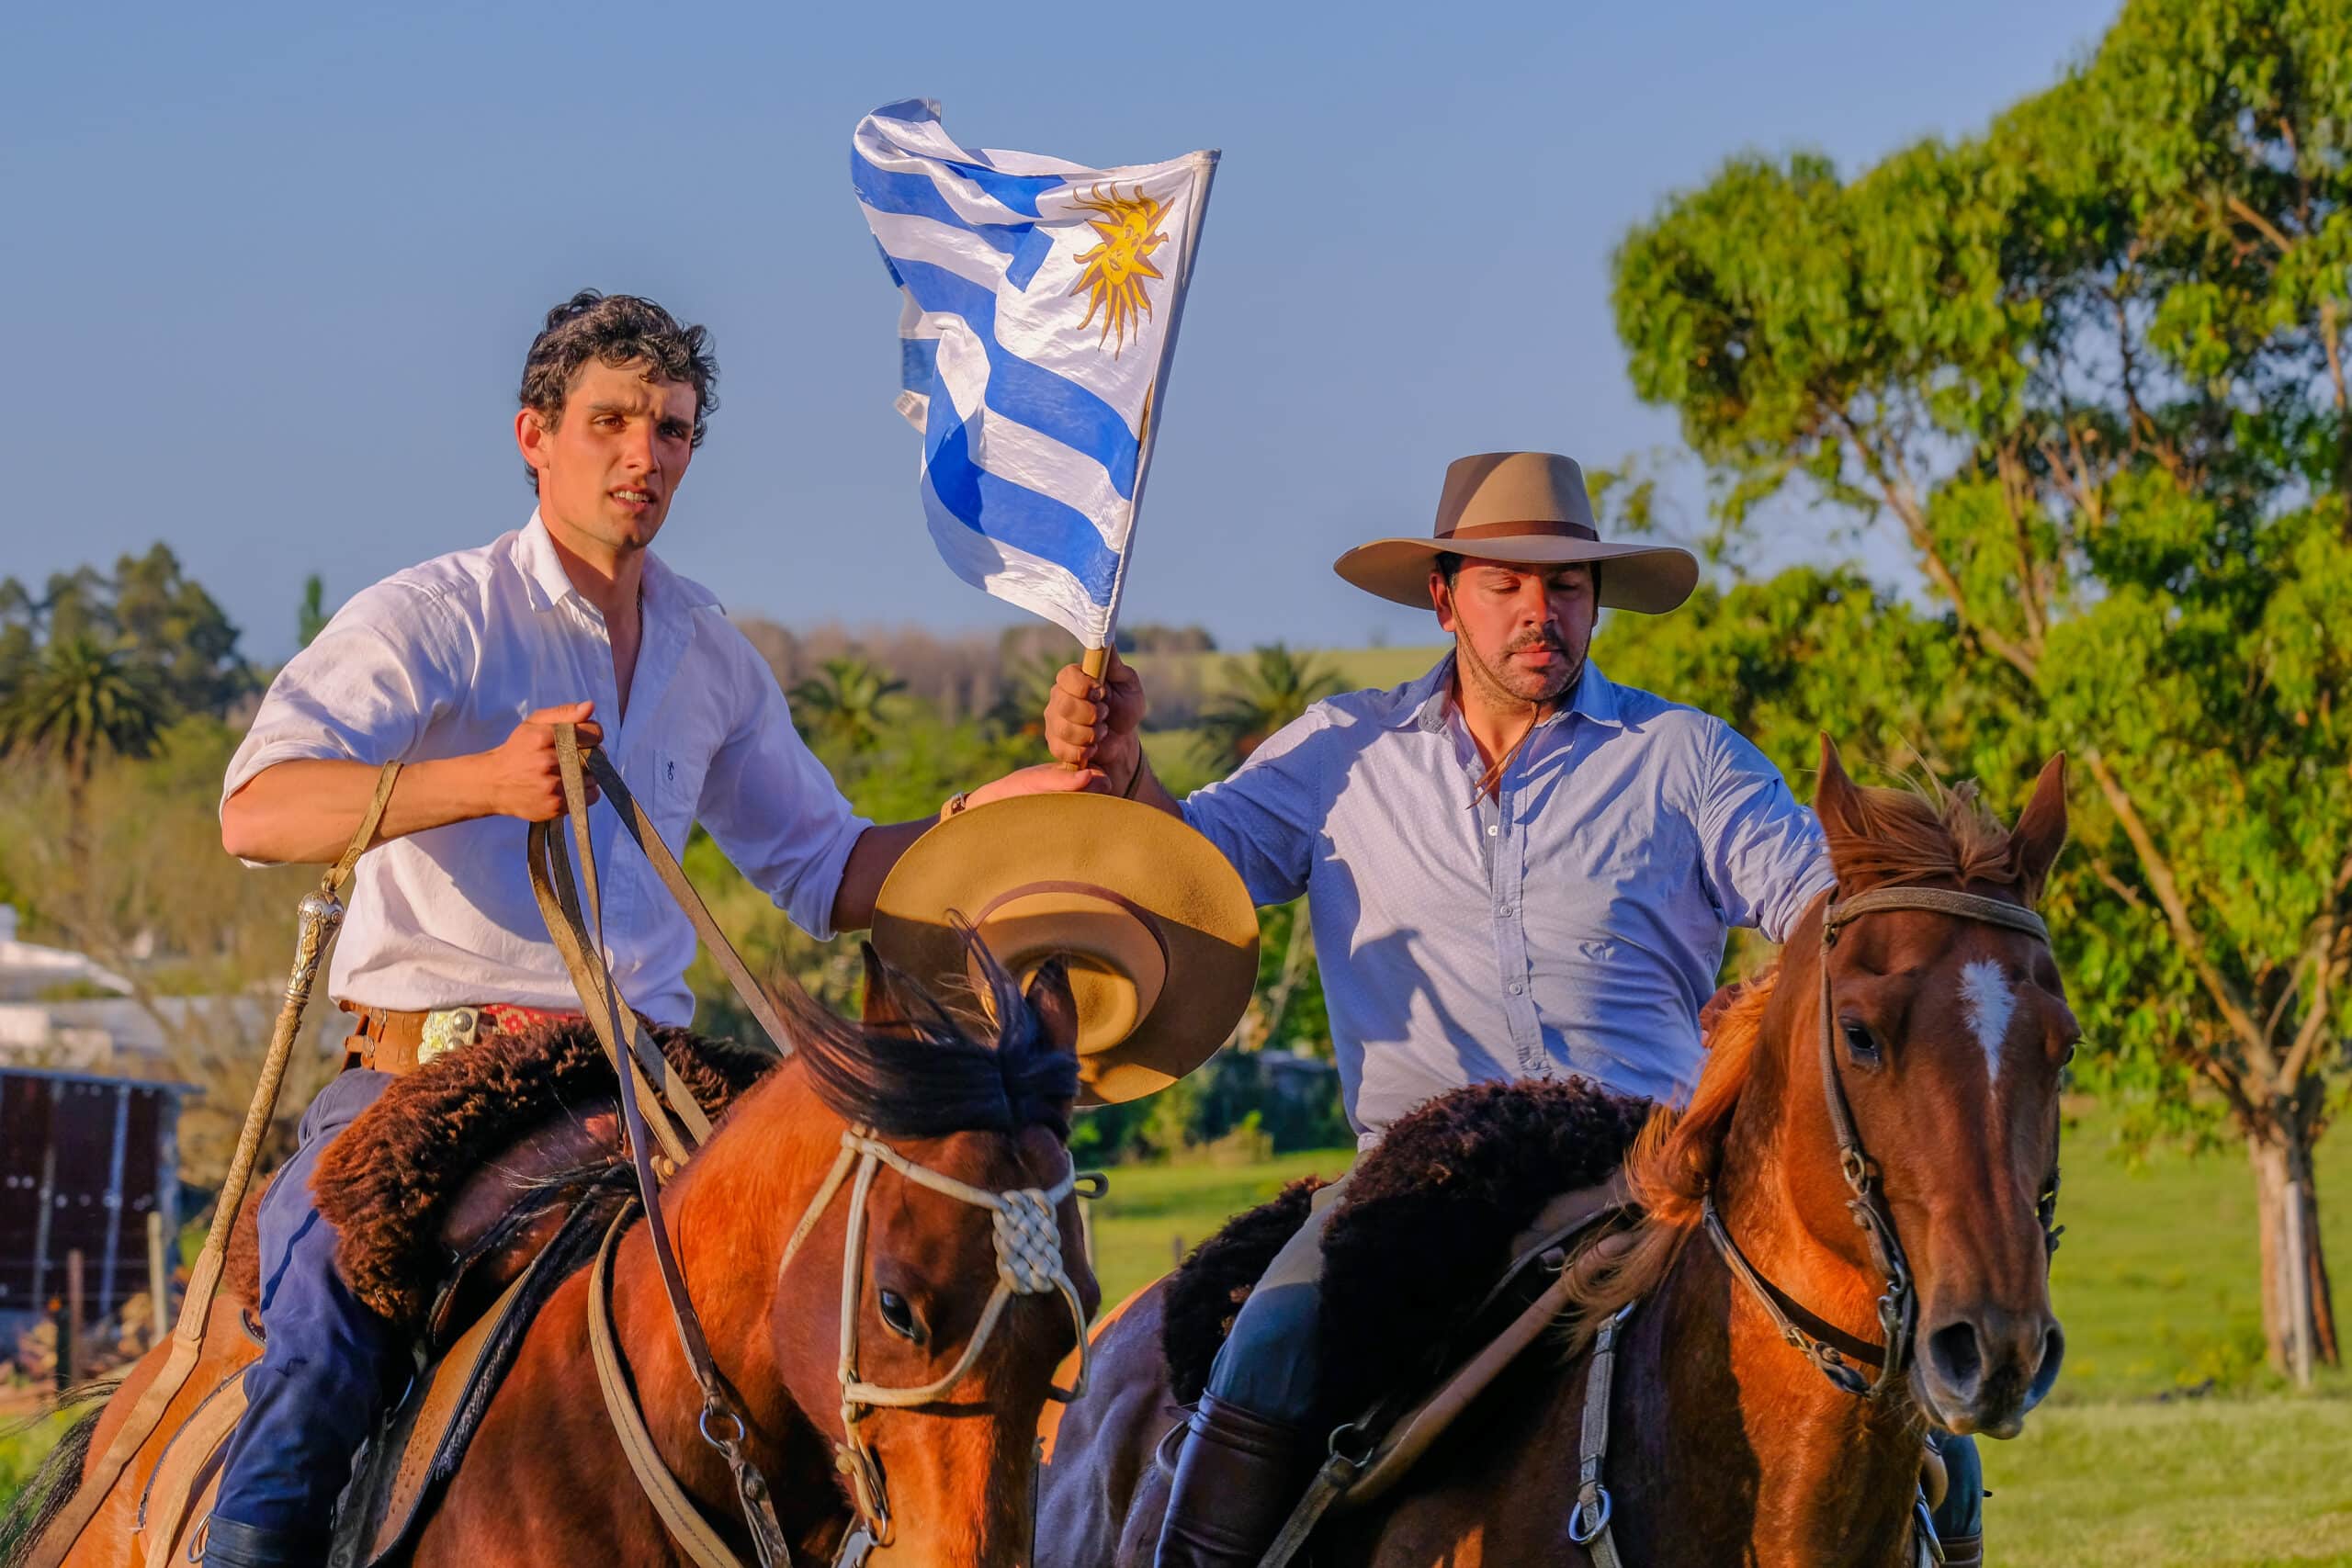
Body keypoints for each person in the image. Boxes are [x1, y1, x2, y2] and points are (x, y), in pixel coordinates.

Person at [206, 290, 1091, 1568]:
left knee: (858, 1285)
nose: (645, 455)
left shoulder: (707, 650)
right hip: (428, 1077)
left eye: (671, 429)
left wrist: (1009, 812)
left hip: (649, 1084)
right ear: (535, 433)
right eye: (612, 421)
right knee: (323, 1290)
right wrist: (479, 783)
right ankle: (253, 1548)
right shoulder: (434, 614)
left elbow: (831, 868)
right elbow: (257, 806)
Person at [1043, 451, 1984, 1568]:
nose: (1541, 612)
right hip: (1413, 1183)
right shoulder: (1340, 752)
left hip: (1653, 1182)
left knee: (1911, 1383)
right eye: (1506, 584)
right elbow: (1183, 867)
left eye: (1567, 587)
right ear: (1444, 598)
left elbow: (1826, 920)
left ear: (1595, 601)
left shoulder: (1682, 758)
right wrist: (1120, 768)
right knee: (1273, 1340)